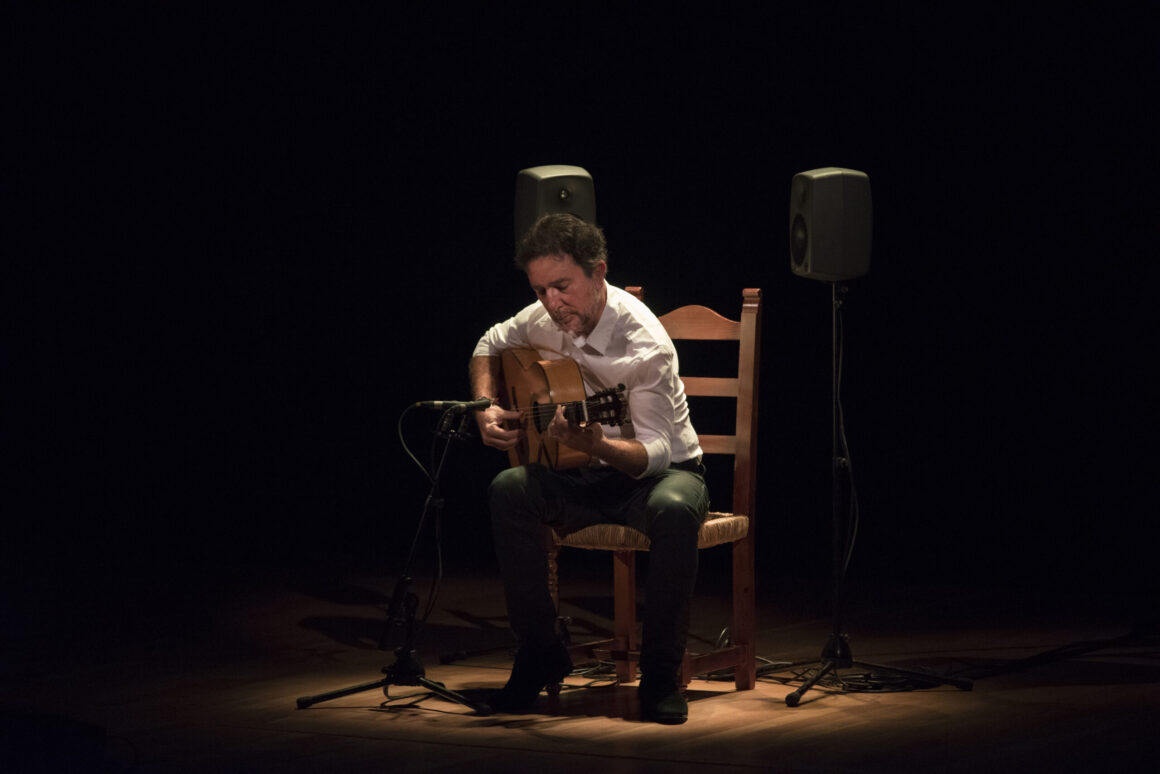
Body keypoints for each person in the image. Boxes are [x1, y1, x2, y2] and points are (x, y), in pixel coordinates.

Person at [469, 213, 708, 724]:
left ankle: (661, 675)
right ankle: (538, 655)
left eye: (562, 286)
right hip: (586, 471)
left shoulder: (644, 342)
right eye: (540, 291)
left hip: (662, 474)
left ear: (599, 272)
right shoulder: (542, 319)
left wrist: (597, 446)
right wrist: (485, 405)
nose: (551, 303)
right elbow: (488, 341)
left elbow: (658, 453)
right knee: (509, 488)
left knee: (673, 507)